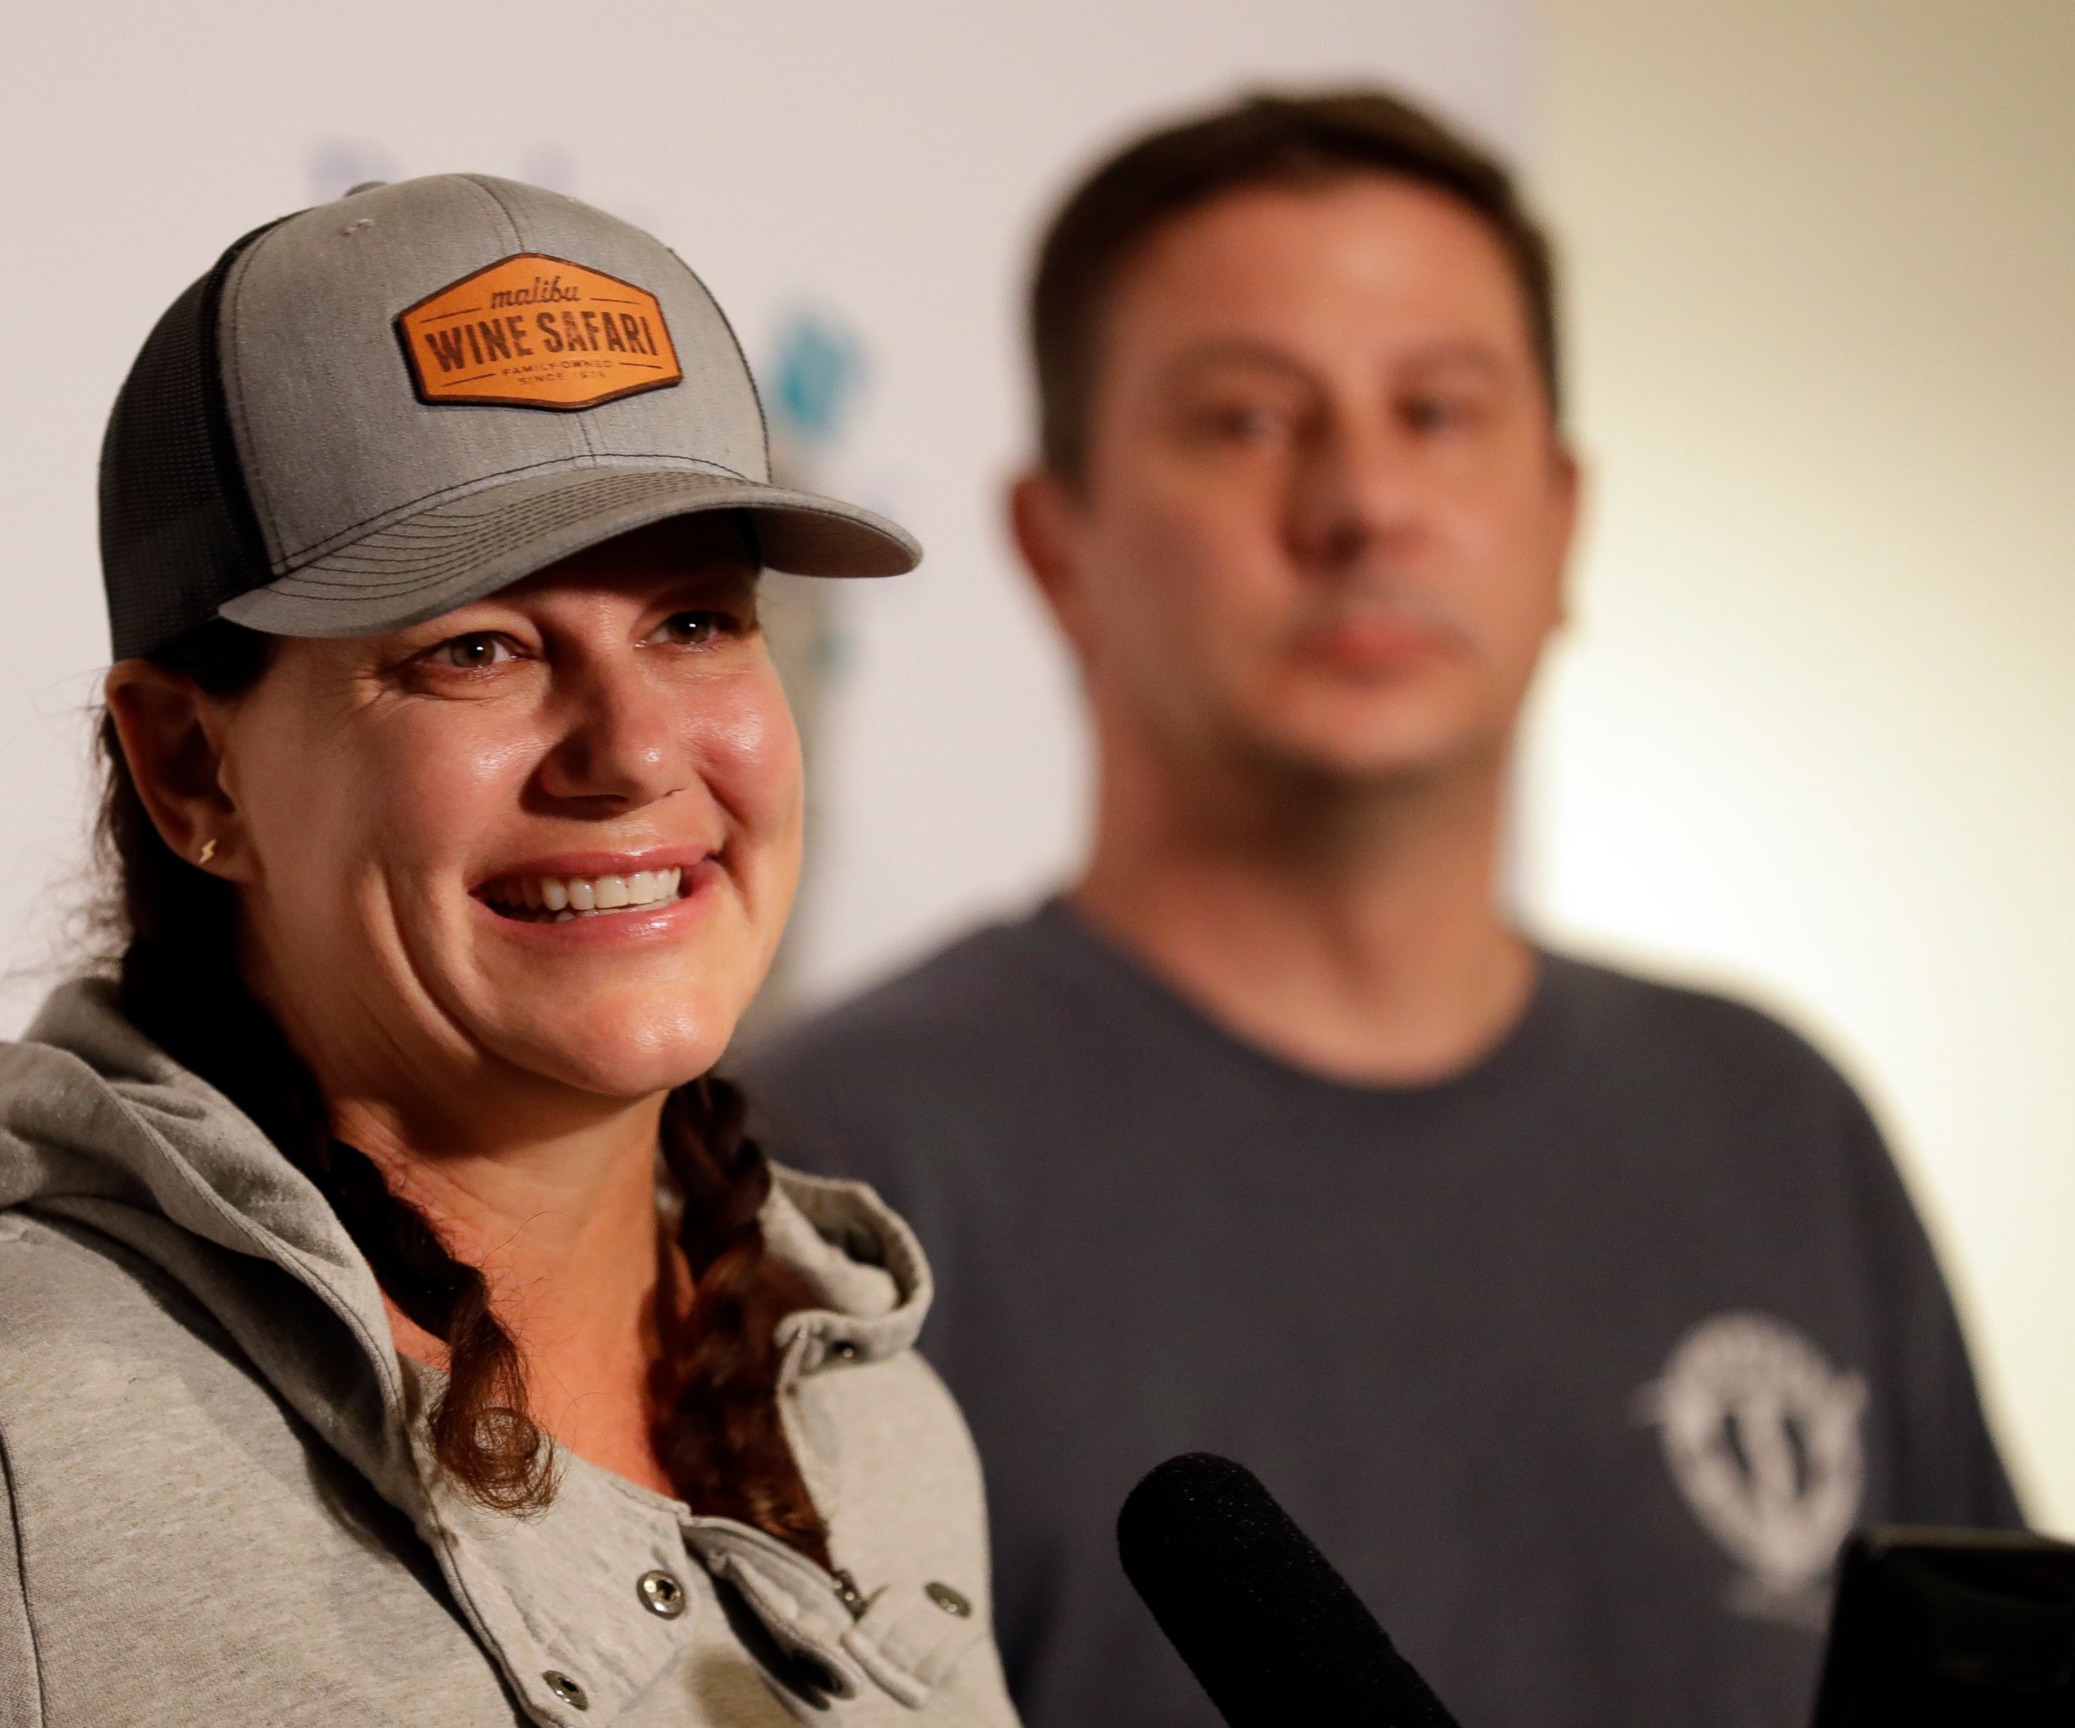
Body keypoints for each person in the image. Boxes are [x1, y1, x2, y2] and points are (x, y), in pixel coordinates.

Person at [0, 175, 1019, 1728]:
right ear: (191, 766)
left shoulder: (868, 1421)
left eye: (695, 623)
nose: (633, 752)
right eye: (475, 650)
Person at [744, 91, 2020, 1728]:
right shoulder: (836, 1168)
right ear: (1054, 545)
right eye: (1247, 421)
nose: (1361, 503)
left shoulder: (1776, 1121)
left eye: (1437, 409)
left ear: (1561, 518)